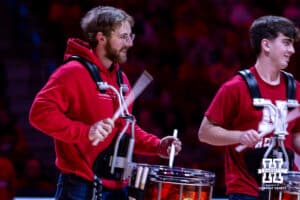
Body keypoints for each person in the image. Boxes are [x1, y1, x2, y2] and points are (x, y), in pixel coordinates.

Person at [29, 5, 181, 200]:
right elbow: (39, 114)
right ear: (101, 38)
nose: (129, 43)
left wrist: (158, 145)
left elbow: (124, 128)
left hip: (118, 188)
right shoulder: (72, 73)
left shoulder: (121, 79)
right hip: (80, 187)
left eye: (130, 37)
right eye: (123, 37)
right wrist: (86, 132)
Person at [198, 15, 300, 199]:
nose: (291, 50)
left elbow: (296, 138)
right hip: (245, 191)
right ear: (266, 45)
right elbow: (205, 133)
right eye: (286, 43)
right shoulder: (235, 87)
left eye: (292, 44)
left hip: (283, 190)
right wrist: (240, 136)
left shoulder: (297, 89)